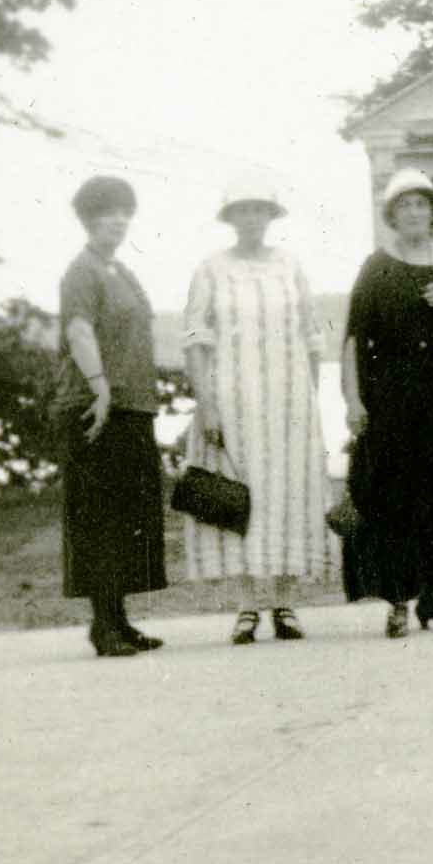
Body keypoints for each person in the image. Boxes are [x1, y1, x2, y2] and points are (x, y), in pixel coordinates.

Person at [339, 167, 433, 637]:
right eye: (404, 206)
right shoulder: (376, 266)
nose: (413, 213)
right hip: (388, 402)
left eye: (421, 204)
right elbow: (351, 339)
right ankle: (398, 601)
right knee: (394, 499)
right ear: (392, 215)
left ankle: (432, 596)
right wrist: (352, 400)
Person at [178, 184, 330, 645]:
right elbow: (195, 338)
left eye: (259, 210)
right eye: (242, 211)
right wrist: (207, 405)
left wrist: (310, 399)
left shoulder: (291, 265)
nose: (251, 218)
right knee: (242, 499)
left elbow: (312, 335)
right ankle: (247, 607)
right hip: (234, 400)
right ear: (230, 217)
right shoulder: (211, 268)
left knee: (286, 497)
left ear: (270, 215)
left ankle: (284, 603)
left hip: (288, 402)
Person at [54, 174, 167, 660]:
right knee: (98, 519)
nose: (118, 220)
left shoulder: (119, 269)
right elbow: (79, 329)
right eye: (107, 212)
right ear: (88, 218)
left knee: (125, 519)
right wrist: (99, 388)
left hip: (131, 407)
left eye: (124, 211)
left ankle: (120, 620)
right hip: (97, 408)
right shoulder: (81, 270)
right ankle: (103, 627)